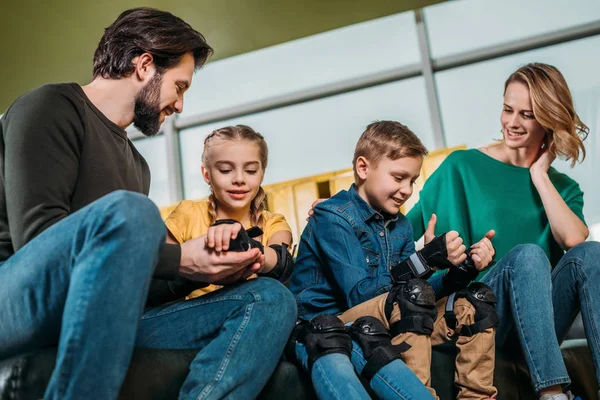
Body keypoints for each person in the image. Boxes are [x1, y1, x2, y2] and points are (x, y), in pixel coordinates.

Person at [0, 8, 296, 400]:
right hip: (17, 299)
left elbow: (136, 284)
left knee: (270, 298)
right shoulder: (50, 107)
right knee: (132, 214)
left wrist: (205, 269)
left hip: (102, 313)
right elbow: (38, 240)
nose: (180, 105)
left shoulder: (137, 166)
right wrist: (180, 260)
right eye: (180, 86)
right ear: (144, 66)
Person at [406, 62, 599, 400]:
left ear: (549, 119)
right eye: (508, 109)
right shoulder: (461, 166)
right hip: (483, 313)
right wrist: (348, 211)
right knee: (528, 255)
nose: (512, 122)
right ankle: (553, 393)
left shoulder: (561, 187)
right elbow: (399, 230)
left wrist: (539, 175)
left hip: (541, 322)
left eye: (527, 114)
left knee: (594, 254)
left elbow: (574, 242)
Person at [289, 121, 498, 400]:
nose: (407, 190)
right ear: (363, 168)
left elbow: (413, 293)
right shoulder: (333, 217)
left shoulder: (400, 225)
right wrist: (425, 260)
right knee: (410, 295)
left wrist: (461, 271)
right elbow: (361, 295)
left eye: (412, 180)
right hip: (331, 324)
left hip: (382, 315)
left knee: (475, 302)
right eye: (399, 177)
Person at [163, 124, 295, 298]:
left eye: (250, 171)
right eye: (225, 170)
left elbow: (281, 261)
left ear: (262, 174)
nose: (239, 179)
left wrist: (244, 245)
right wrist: (205, 267)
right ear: (206, 174)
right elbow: (162, 279)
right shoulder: (186, 214)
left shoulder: (274, 223)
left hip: (253, 310)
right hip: (192, 316)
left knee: (273, 293)